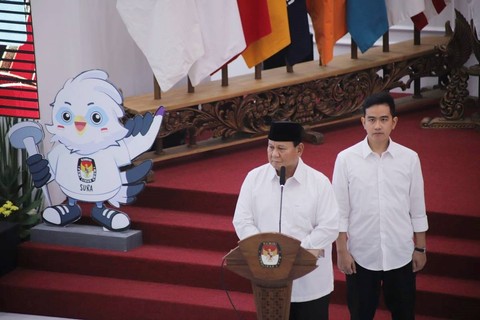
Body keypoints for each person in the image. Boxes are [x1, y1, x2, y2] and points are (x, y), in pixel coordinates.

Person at [332, 92, 428, 320]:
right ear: (363, 122)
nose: (377, 126)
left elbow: (417, 207)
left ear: (394, 122)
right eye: (372, 119)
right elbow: (340, 211)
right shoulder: (345, 159)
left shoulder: (410, 158)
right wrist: (342, 251)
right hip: (360, 255)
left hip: (400, 252)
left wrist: (420, 248)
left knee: (404, 314)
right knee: (360, 314)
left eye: (384, 119)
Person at [232, 121, 339, 320]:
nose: (274, 154)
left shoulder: (319, 183)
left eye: (281, 148)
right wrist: (262, 248)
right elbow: (242, 220)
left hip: (310, 284)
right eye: (270, 147)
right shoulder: (254, 178)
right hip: (268, 281)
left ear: (299, 149)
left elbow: (329, 226)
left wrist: (292, 254)